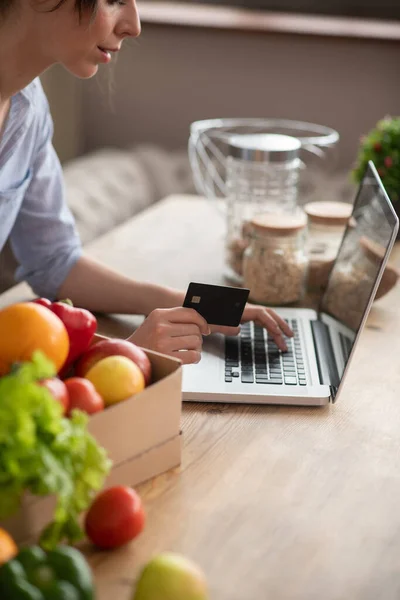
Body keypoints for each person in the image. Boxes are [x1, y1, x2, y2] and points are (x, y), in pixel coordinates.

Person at [0, 0, 292, 364]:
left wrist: (196, 306)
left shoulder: (29, 109)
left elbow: (54, 262)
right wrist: (124, 356)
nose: (133, 25)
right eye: (114, 1)